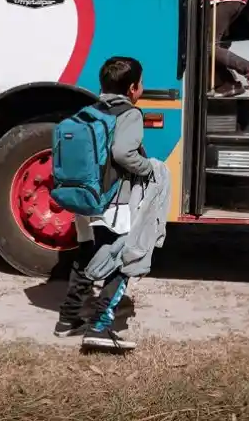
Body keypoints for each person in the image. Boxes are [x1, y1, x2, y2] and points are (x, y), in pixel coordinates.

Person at [55, 55, 153, 351]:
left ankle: (68, 320)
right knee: (121, 259)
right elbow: (123, 153)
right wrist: (148, 168)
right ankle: (100, 325)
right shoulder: (130, 114)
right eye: (142, 83)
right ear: (134, 88)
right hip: (112, 202)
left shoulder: (88, 110)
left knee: (87, 255)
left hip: (85, 198)